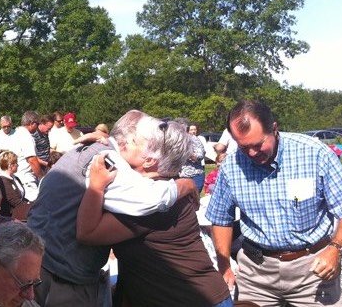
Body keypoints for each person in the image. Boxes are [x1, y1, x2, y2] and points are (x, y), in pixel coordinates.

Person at [27, 110, 196, 306]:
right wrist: (186, 185)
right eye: (143, 143)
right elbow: (153, 198)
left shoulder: (96, 149)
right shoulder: (109, 162)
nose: (149, 157)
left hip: (43, 263)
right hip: (64, 278)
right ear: (126, 142)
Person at [206, 99, 342, 306]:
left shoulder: (314, 153)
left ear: (274, 129)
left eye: (258, 145)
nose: (251, 153)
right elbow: (221, 218)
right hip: (256, 272)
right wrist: (224, 266)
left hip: (313, 269)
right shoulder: (232, 165)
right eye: (244, 147)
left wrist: (335, 249)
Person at [75, 118, 231, 306]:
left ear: (149, 160)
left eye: (134, 142)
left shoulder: (152, 203)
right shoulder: (164, 188)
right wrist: (107, 140)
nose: (125, 144)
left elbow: (87, 233)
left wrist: (97, 187)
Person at [12, 111, 43, 202]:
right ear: (32, 123)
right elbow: (32, 160)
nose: (37, 127)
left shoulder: (15, 133)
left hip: (16, 177)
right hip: (26, 179)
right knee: (33, 206)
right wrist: (42, 177)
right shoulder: (26, 136)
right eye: (37, 124)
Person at [0, 151, 31, 221]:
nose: (18, 165)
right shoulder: (2, 182)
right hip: (11, 219)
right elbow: (15, 202)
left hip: (21, 213)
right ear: (10, 165)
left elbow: (22, 198)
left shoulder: (15, 178)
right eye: (16, 163)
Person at [176, 118, 206, 192]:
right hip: (178, 176)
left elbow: (200, 155)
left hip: (194, 175)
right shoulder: (173, 140)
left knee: (193, 200)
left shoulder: (193, 139)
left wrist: (187, 152)